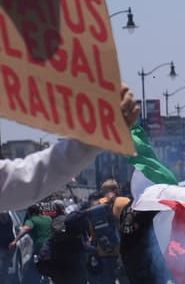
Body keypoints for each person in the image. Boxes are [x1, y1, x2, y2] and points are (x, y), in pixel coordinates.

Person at [0, 84, 140, 211]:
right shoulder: (122, 202)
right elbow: (31, 178)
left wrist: (100, 129)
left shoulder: (102, 204)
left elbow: (29, 178)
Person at [10, 203, 53, 284]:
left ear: (30, 213)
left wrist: (15, 240)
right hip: (52, 249)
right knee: (55, 274)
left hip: (40, 251)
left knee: (29, 275)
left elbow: (26, 228)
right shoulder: (48, 218)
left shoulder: (32, 220)